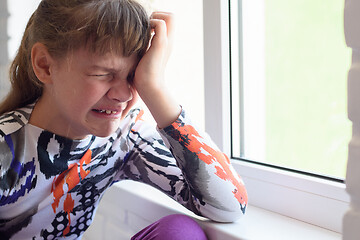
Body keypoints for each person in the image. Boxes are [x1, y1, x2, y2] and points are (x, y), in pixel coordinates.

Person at [0, 0, 248, 239]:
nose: (123, 94)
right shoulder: (6, 146)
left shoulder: (125, 137)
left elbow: (230, 205)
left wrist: (154, 87)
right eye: (103, 74)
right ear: (45, 66)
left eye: (133, 76)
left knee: (180, 233)